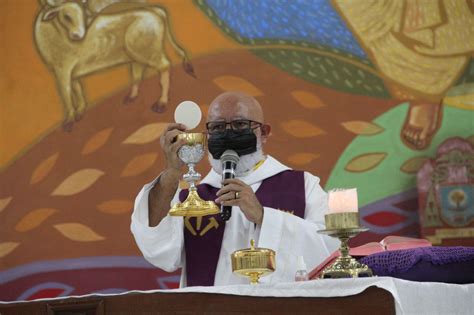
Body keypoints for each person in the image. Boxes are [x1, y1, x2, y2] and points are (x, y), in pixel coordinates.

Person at [131, 91, 338, 287]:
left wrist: (264, 217)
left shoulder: (303, 186)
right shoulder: (193, 197)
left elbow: (330, 250)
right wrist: (172, 172)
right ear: (207, 135)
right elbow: (158, 251)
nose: (228, 134)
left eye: (240, 124)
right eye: (218, 127)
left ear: (264, 132)